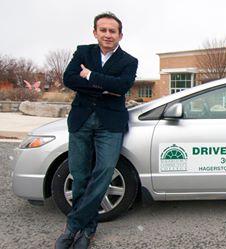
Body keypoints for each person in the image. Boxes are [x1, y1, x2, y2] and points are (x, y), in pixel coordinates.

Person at [55, 12, 138, 249]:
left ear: (120, 35)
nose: (108, 35)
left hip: (110, 124)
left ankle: (74, 227)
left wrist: (90, 76)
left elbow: (122, 86)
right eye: (103, 30)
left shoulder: (129, 61)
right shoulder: (83, 52)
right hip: (81, 120)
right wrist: (104, 88)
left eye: (113, 31)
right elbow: (69, 79)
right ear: (95, 32)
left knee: (102, 174)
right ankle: (87, 229)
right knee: (79, 175)